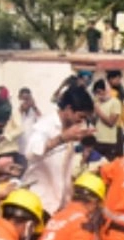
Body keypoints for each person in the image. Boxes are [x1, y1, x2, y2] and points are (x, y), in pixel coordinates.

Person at [25, 85, 96, 214]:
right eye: (80, 116)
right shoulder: (45, 126)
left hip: (61, 203)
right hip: (40, 201)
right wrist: (61, 139)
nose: (82, 121)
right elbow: (31, 153)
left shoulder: (71, 128)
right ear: (68, 109)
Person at [92, 79, 122, 161]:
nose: (98, 94)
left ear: (106, 90)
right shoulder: (97, 103)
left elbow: (111, 123)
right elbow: (94, 122)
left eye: (100, 91)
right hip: (97, 140)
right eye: (96, 93)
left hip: (109, 142)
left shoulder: (115, 102)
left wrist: (98, 111)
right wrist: (94, 113)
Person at [16, 87, 42, 157]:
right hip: (19, 151)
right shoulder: (15, 112)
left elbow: (42, 121)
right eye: (23, 99)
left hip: (32, 150)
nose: (26, 102)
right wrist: (21, 111)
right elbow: (15, 125)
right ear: (19, 99)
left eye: (27, 99)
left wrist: (34, 107)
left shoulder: (34, 111)